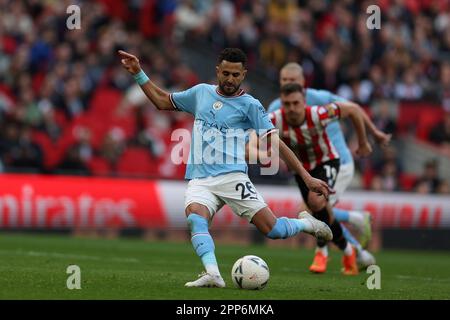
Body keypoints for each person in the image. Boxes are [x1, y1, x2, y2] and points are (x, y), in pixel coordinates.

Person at [119, 48, 333, 288]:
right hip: (200, 179)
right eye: (226, 73)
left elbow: (277, 144)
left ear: (244, 75)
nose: (230, 79)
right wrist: (138, 73)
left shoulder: (250, 105)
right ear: (218, 71)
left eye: (236, 75)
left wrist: (307, 178)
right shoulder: (201, 93)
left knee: (273, 230)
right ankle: (213, 273)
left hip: (232, 177)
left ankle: (307, 224)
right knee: (195, 218)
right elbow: (161, 101)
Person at [267, 63, 390, 272]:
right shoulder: (276, 110)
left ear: (302, 83)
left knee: (313, 206)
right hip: (305, 168)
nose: (289, 85)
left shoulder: (318, 101)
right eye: (284, 81)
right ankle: (356, 240)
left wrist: (371, 135)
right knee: (319, 210)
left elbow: (354, 108)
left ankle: (323, 254)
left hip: (337, 161)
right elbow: (265, 136)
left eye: (293, 81)